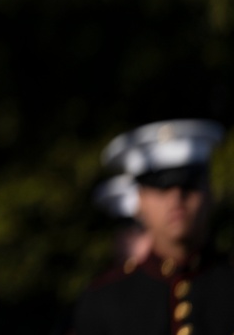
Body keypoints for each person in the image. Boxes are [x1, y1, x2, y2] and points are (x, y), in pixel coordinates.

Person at [71, 118, 234, 335]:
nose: (176, 197)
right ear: (139, 201)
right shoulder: (104, 301)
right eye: (161, 185)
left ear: (210, 193)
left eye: (189, 183)